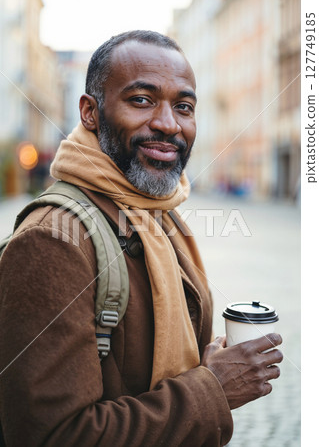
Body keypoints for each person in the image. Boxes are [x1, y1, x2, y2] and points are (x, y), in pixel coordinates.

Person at [0, 30, 283, 447]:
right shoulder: (51, 240)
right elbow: (53, 434)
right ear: (90, 113)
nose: (168, 124)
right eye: (141, 100)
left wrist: (207, 365)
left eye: (183, 107)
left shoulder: (160, 214)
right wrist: (213, 389)